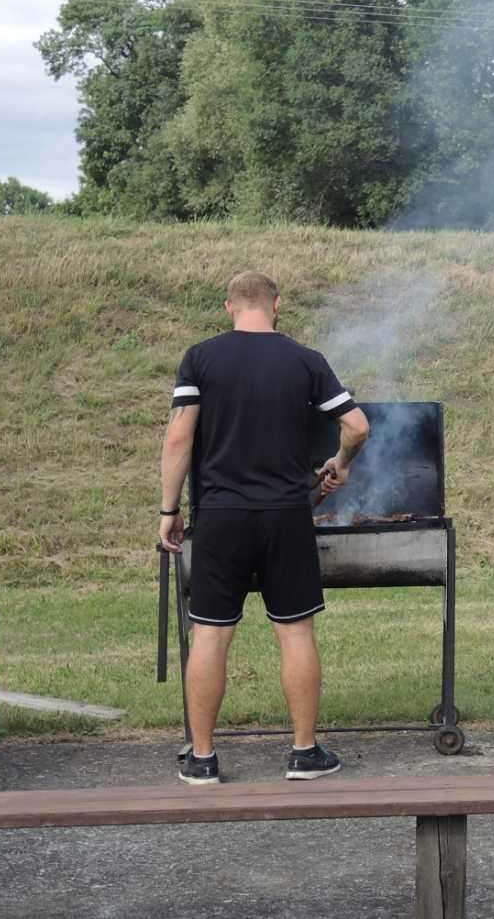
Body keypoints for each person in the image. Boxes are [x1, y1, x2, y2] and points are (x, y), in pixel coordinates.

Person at [158, 271, 369, 786]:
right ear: (276, 306)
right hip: (285, 517)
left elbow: (179, 438)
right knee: (295, 632)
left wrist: (169, 509)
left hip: (221, 518)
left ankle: (203, 760)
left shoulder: (201, 358)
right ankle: (303, 754)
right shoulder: (306, 360)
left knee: (209, 634)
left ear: (230, 307)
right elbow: (358, 425)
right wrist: (340, 462)